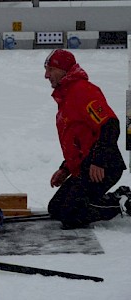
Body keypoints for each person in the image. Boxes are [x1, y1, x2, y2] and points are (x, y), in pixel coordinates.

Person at [44, 49, 131, 229]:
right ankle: (95, 202)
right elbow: (80, 140)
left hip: (105, 165)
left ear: (63, 70)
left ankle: (122, 200)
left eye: (51, 69)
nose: (46, 75)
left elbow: (110, 124)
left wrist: (98, 160)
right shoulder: (67, 96)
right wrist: (65, 169)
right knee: (55, 209)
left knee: (70, 215)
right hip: (86, 165)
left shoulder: (82, 91)